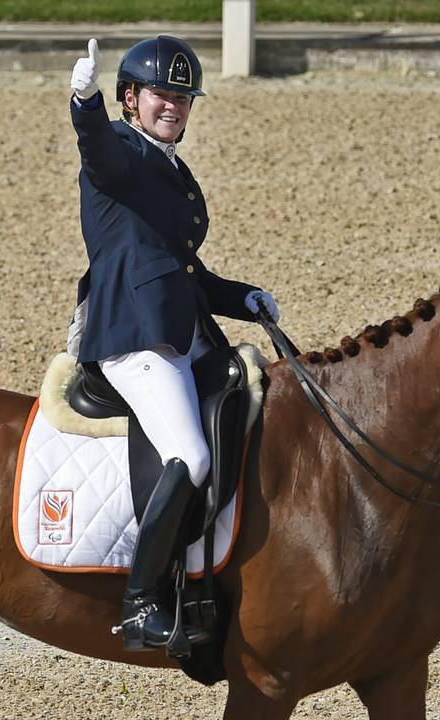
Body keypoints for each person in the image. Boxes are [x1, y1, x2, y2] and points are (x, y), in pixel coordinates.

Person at [67, 36, 280, 653]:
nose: (175, 107)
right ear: (131, 99)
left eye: (184, 98)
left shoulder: (172, 167)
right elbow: (96, 147)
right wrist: (85, 100)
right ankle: (141, 600)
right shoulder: (121, 154)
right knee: (191, 455)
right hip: (133, 337)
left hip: (182, 334)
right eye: (163, 94)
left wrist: (242, 298)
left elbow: (184, 272)